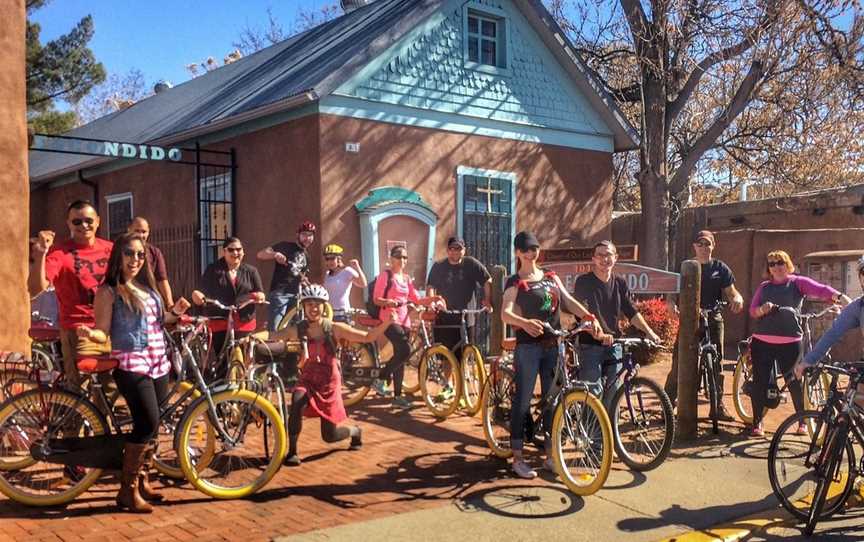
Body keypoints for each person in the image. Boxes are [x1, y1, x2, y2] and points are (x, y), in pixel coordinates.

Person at [76, 232, 191, 513]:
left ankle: (143, 480)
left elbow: (160, 320)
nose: (136, 259)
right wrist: (91, 333)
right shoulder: (110, 290)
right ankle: (126, 490)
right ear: (118, 255)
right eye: (129, 253)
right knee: (146, 423)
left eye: (141, 254)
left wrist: (176, 311)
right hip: (131, 363)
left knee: (154, 424)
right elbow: (103, 330)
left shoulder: (147, 288)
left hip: (158, 363)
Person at [501, 231, 601, 479]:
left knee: (553, 401)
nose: (530, 253)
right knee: (522, 401)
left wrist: (587, 316)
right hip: (528, 348)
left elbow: (567, 300)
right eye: (525, 249)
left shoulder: (549, 276)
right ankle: (518, 457)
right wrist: (524, 323)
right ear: (517, 252)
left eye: (534, 248)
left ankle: (550, 456)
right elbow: (505, 313)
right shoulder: (515, 282)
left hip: (553, 345)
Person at [266, 284, 395, 466]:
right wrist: (252, 337)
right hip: (309, 377)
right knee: (297, 401)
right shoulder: (298, 329)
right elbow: (274, 335)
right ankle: (292, 452)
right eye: (309, 304)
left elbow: (367, 337)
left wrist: (387, 322)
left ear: (324, 306)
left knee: (329, 436)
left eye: (317, 304)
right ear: (303, 307)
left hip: (329, 381)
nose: (313, 308)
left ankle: (355, 432)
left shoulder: (335, 328)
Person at [747, 250, 849, 437]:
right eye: (772, 264)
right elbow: (752, 310)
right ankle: (757, 422)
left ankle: (802, 421)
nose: (777, 267)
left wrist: (840, 298)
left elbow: (820, 289)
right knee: (760, 381)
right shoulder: (764, 287)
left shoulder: (796, 283)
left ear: (788, 264)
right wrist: (762, 309)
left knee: (795, 381)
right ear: (768, 268)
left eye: (780, 262)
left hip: (790, 342)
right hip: (762, 341)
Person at [28, 200, 113, 387]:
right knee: (81, 395)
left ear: (98, 221)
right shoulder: (60, 253)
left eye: (89, 220)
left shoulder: (111, 249)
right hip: (79, 331)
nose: (84, 225)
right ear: (68, 223)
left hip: (111, 328)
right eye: (77, 221)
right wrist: (41, 254)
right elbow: (35, 289)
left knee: (110, 391)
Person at [663, 230, 744, 420]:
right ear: (694, 246)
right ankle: (666, 404)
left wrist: (738, 299)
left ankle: (718, 407)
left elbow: (732, 292)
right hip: (690, 319)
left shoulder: (720, 268)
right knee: (679, 363)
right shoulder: (684, 266)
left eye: (708, 244)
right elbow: (672, 293)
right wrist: (671, 304)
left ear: (713, 246)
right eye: (700, 244)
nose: (704, 247)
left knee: (716, 363)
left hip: (713, 317)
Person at [572, 241, 662, 410]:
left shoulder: (620, 283)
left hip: (615, 344)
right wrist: (598, 334)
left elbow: (631, 312)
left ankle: (610, 434)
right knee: (593, 392)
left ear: (615, 258)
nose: (604, 259)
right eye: (600, 255)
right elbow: (581, 312)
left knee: (614, 392)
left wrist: (649, 332)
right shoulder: (583, 282)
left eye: (608, 255)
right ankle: (592, 434)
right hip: (590, 344)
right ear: (593, 259)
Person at [372, 244, 444, 409]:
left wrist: (434, 299)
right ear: (391, 258)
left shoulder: (406, 279)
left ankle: (397, 397)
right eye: (399, 256)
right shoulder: (385, 276)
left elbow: (417, 299)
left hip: (405, 320)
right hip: (389, 320)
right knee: (404, 351)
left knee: (401, 356)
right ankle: (381, 377)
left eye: (405, 257)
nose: (402, 260)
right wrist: (388, 302)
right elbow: (376, 299)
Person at [794, 256, 864, 407]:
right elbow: (832, 334)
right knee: (851, 406)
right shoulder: (859, 307)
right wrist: (808, 361)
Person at [191, 237, 265, 377]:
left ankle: (245, 388)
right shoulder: (213, 269)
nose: (235, 253)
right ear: (224, 252)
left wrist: (258, 297)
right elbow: (200, 291)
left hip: (244, 321)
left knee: (245, 358)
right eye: (231, 250)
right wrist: (198, 296)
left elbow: (260, 292)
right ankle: (222, 392)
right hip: (220, 320)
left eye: (239, 249)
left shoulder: (251, 271)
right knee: (223, 359)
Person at [426, 236, 492, 358]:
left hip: (466, 317)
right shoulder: (439, 266)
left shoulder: (471, 264)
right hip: (445, 317)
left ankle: (464, 375)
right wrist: (432, 302)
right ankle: (447, 377)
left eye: (458, 248)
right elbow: (431, 286)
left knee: (465, 354)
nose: (455, 251)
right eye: (452, 248)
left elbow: (487, 280)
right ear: (447, 250)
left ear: (464, 250)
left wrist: (488, 300)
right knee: (447, 357)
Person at [257, 221, 315, 331]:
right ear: (297, 235)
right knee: (275, 329)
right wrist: (275, 254)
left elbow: (301, 276)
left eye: (310, 235)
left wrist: (307, 283)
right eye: (304, 235)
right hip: (280, 294)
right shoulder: (285, 246)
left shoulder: (307, 256)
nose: (307, 238)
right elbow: (260, 254)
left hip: (297, 296)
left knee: (296, 331)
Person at [127, 217, 174, 308]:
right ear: (129, 230)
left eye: (144, 232)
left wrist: (169, 303)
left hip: (148, 300)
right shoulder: (121, 250)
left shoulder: (154, 252)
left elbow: (162, 280)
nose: (140, 235)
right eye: (137, 231)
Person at [322, 243, 367, 321]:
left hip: (342, 314)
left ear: (339, 259)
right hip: (328, 313)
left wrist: (357, 267)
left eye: (332, 258)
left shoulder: (347, 271)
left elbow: (363, 284)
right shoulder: (327, 274)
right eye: (327, 259)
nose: (329, 261)